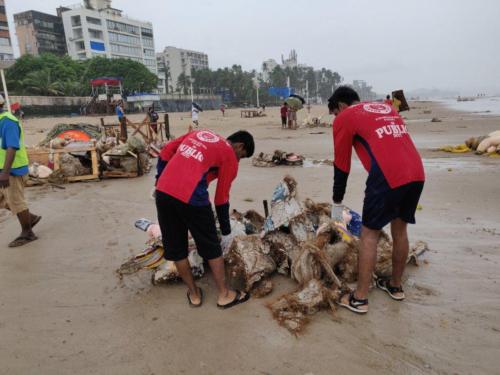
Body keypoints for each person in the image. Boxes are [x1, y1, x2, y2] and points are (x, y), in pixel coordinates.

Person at [328, 86, 425, 314]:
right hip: (416, 172)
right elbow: (398, 102)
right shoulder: (385, 107)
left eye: (334, 113)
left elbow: (342, 165)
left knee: (368, 234)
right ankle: (395, 286)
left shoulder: (345, 117)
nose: (335, 118)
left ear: (341, 106)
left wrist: (337, 202)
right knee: (400, 230)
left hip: (387, 175)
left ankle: (360, 298)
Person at [155, 129, 255, 308]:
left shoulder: (199, 133)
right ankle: (224, 295)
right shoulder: (229, 155)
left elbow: (166, 151)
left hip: (163, 193)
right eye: (242, 155)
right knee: (211, 247)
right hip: (192, 198)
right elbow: (221, 198)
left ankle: (194, 294)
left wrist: (159, 178)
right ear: (239, 146)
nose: (239, 159)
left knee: (177, 249)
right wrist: (226, 232)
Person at [0, 95, 41, 247]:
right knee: (4, 200)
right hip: (3, 168)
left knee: (16, 200)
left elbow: (12, 147)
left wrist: (5, 172)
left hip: (12, 170)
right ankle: (29, 217)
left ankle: (28, 232)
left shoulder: (8, 121)